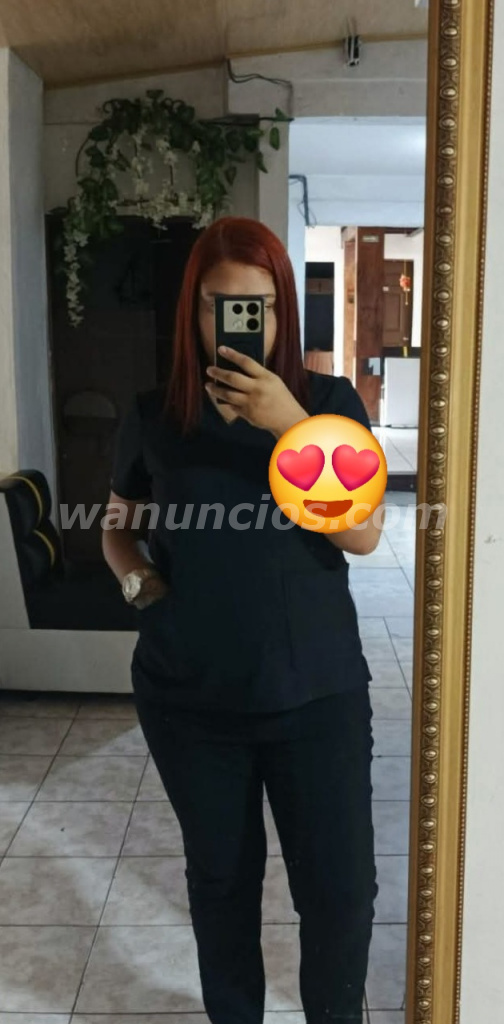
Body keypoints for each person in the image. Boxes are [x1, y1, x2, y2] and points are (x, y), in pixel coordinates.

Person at [102, 216, 383, 1024]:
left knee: (340, 894)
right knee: (222, 886)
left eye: (257, 306)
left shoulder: (329, 406)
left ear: (282, 310)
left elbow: (363, 533)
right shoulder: (155, 414)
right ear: (193, 311)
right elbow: (116, 524)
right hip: (191, 699)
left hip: (317, 694)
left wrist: (289, 423)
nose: (238, 323)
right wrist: (139, 584)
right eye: (220, 305)